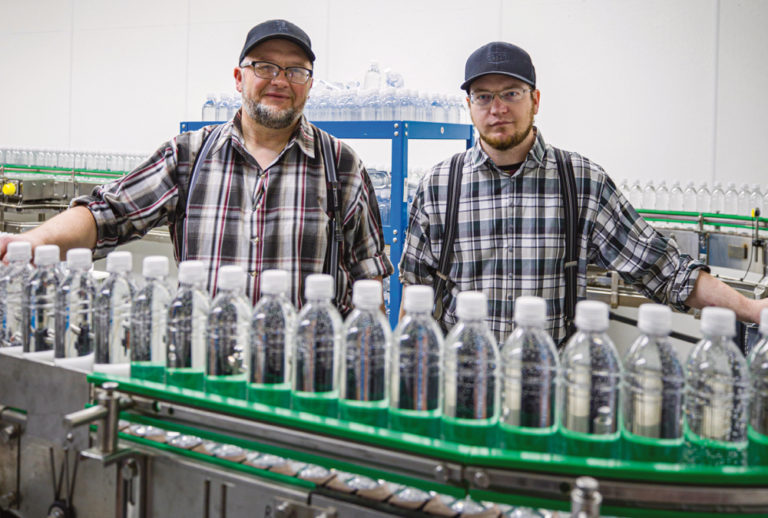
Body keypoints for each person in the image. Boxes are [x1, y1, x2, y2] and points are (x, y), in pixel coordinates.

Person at [0, 19, 393, 315]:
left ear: (309, 85)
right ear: (239, 78)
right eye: (265, 67)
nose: (280, 80)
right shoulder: (188, 156)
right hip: (205, 377)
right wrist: (29, 244)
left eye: (295, 71)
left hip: (307, 388)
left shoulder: (340, 165)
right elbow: (106, 214)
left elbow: (368, 275)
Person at [399, 41, 768, 345]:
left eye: (511, 93)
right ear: (469, 106)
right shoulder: (440, 186)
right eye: (483, 97)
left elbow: (665, 270)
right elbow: (416, 296)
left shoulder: (580, 181)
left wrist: (754, 311)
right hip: (461, 387)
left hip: (548, 391)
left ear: (535, 100)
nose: (497, 109)